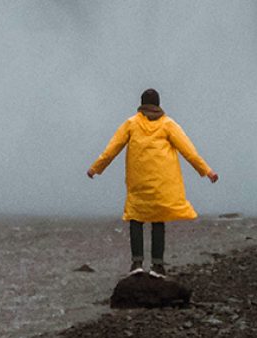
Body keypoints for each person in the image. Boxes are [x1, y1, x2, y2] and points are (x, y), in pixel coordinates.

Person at [87, 87, 218, 275]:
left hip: (138, 183)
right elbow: (189, 151)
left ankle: (137, 264)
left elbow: (112, 149)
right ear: (158, 104)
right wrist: (207, 171)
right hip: (162, 184)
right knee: (158, 220)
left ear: (141, 104)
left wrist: (95, 168)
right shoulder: (168, 124)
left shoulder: (131, 124)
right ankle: (157, 265)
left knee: (135, 219)